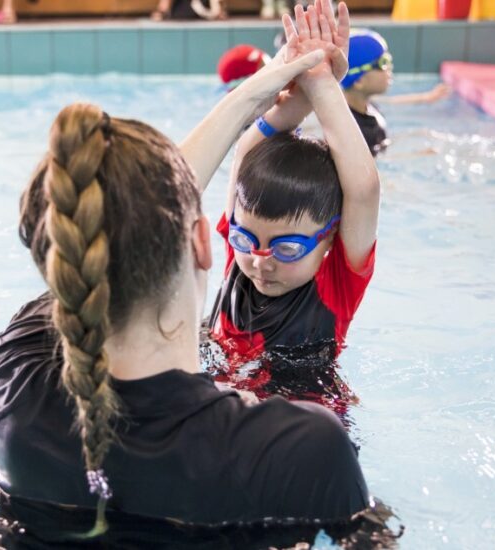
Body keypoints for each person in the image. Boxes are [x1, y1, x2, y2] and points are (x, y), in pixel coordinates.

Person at [0, 1, 399, 547]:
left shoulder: (15, 376)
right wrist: (308, 84)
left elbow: (130, 217)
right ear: (209, 239)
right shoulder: (299, 449)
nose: (259, 257)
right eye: (244, 238)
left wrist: (279, 88)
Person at [202, 2, 379, 416]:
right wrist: (294, 85)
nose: (261, 263)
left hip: (304, 436)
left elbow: (364, 188)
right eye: (245, 239)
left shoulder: (336, 287)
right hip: (224, 417)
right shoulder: (239, 256)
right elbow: (244, 152)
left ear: (329, 238)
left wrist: (323, 86)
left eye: (286, 249)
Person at [342, 29, 450, 155]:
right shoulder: (355, 132)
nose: (390, 67)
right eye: (383, 63)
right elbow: (369, 166)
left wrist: (426, 97)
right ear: (359, 81)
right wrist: (418, 155)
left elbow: (391, 102)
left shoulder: (363, 103)